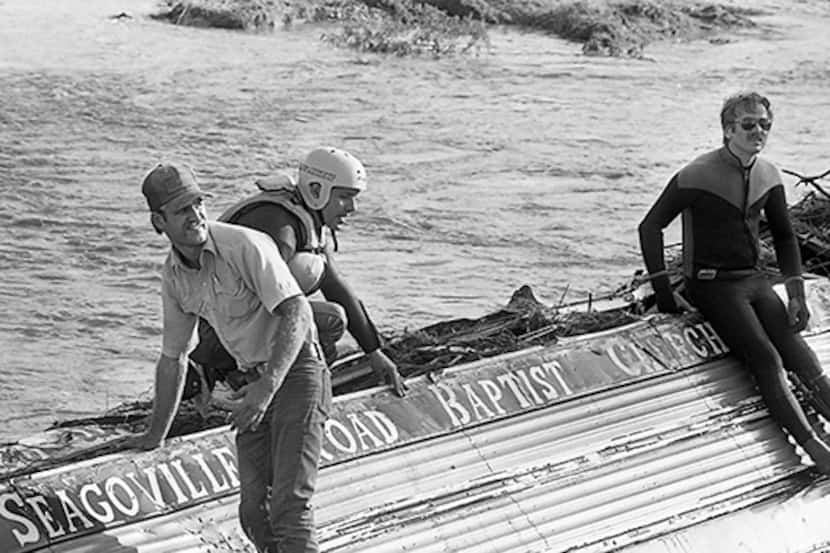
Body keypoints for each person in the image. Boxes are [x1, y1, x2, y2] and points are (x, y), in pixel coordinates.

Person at [133, 162, 330, 552]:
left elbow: (297, 311)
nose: (195, 216)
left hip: (295, 373)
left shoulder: (244, 245)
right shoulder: (173, 276)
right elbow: (173, 358)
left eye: (198, 204)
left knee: (290, 506)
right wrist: (155, 435)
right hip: (251, 380)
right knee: (254, 513)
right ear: (159, 222)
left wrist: (268, 386)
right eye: (181, 211)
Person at [638, 91, 830, 474]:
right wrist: (664, 293)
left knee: (801, 356)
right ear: (728, 130)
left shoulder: (768, 174)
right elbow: (650, 226)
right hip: (712, 285)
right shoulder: (697, 173)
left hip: (754, 281)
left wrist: (796, 295)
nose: (758, 131)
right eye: (748, 124)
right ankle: (816, 450)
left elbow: (785, 236)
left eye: (764, 124)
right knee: (767, 358)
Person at [190, 147, 407, 397]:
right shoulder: (278, 226)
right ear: (316, 190)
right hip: (221, 332)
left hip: (243, 324)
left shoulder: (306, 221)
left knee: (325, 325)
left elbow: (337, 288)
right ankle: (233, 378)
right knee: (331, 319)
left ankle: (267, 378)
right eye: (345, 197)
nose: (352, 208)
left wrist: (374, 351)